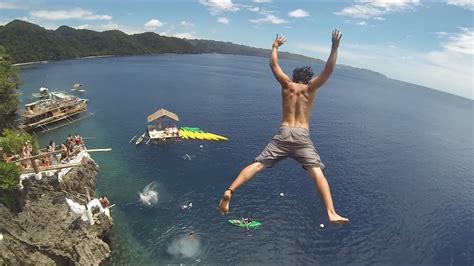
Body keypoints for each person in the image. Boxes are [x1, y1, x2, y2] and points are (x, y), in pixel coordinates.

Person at [218, 30, 349, 225]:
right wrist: (335, 47)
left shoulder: (286, 84)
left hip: (284, 132)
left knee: (258, 164)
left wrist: (275, 47)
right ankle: (330, 212)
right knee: (316, 172)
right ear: (307, 78)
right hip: (302, 135)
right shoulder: (310, 88)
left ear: (294, 76)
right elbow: (328, 70)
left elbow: (273, 65)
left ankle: (229, 191)